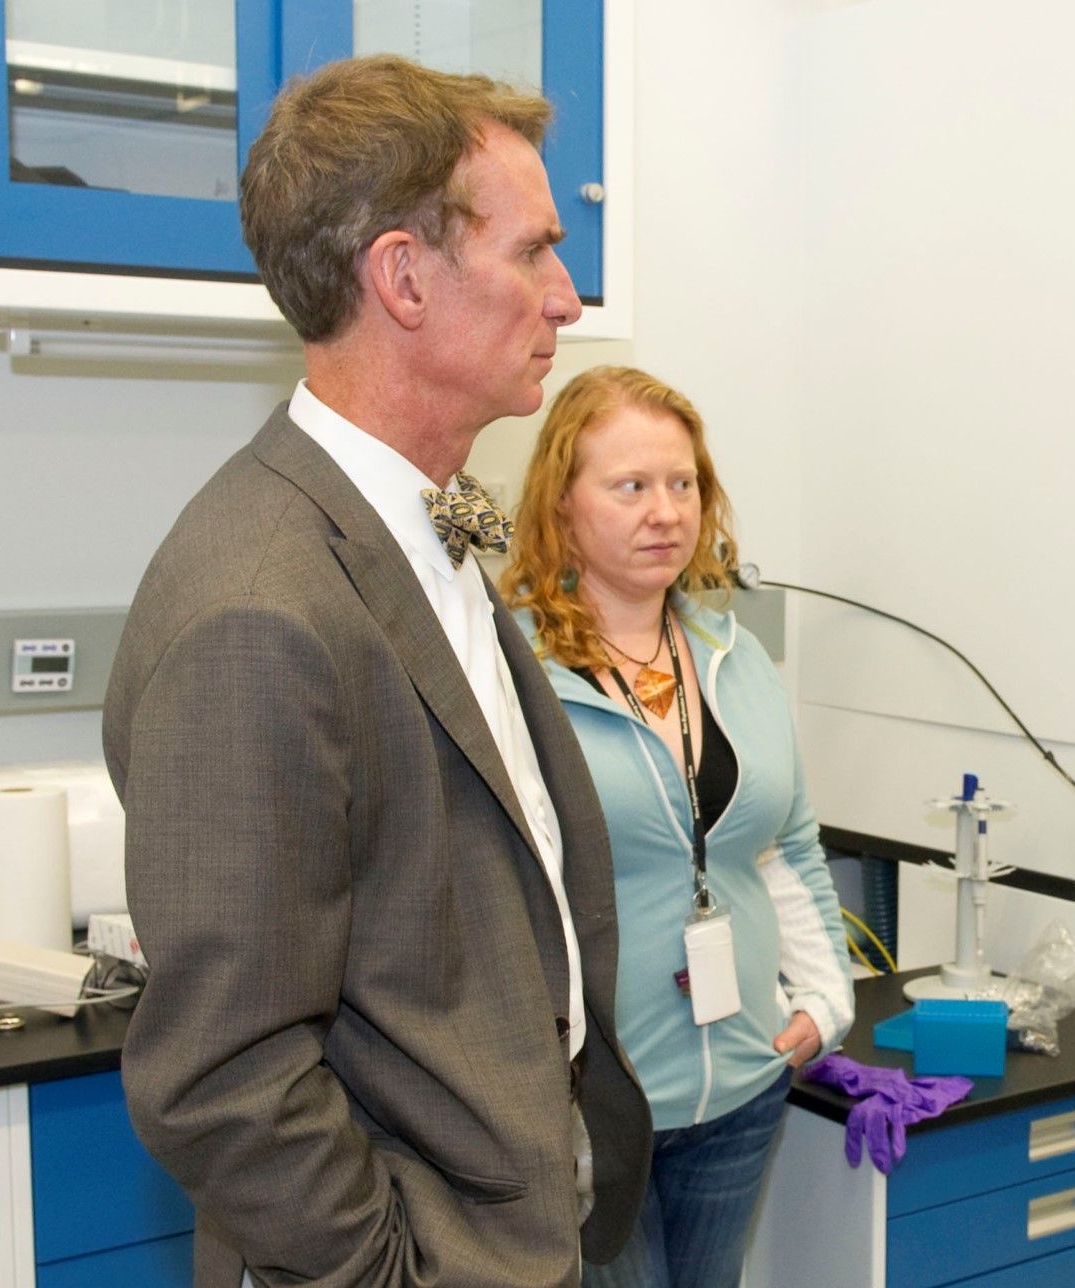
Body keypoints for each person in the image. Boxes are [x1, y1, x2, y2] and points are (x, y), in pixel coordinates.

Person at [103, 56, 650, 1287]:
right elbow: (218, 1075)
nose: (567, 298)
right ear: (403, 276)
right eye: (533, 253)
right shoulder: (261, 608)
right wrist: (392, 1271)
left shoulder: (419, 528)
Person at [502, 366, 853, 1288]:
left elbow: (787, 844)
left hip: (742, 1083)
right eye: (630, 486)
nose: (665, 511)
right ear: (563, 507)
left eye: (683, 483)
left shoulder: (737, 658)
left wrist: (825, 1000)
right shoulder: (515, 676)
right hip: (590, 1108)